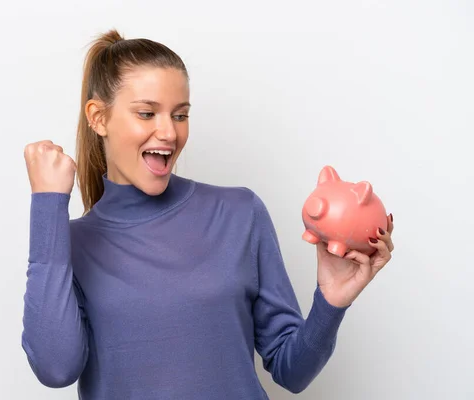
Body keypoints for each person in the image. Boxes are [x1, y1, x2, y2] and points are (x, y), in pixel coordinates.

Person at [21, 29, 395, 399]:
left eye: (180, 115)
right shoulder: (70, 244)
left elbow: (291, 372)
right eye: (147, 113)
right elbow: (56, 368)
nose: (168, 132)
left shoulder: (239, 213)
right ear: (98, 118)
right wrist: (48, 206)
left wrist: (331, 301)